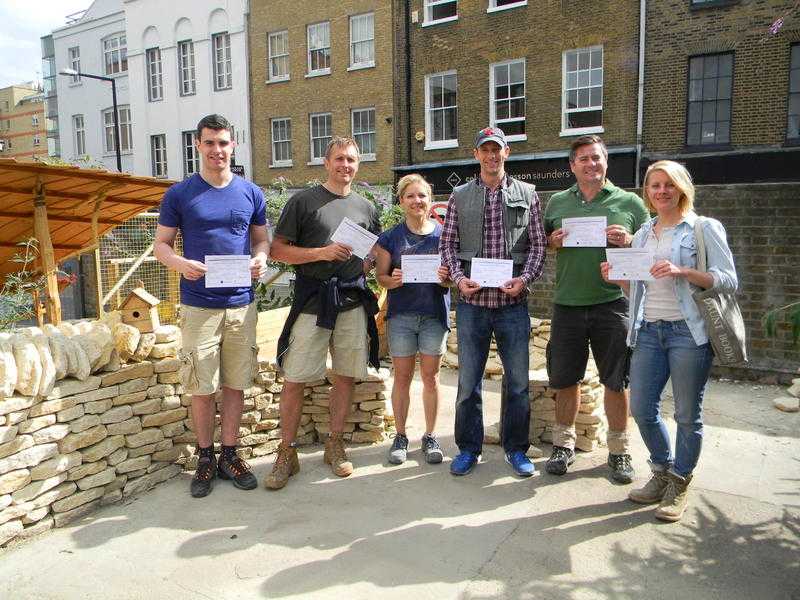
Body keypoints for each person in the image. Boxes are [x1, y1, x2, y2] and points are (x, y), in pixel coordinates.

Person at [601, 160, 737, 522]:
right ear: (646, 191)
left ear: (681, 188)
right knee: (642, 409)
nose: (661, 191)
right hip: (648, 330)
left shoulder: (703, 229)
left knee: (686, 414)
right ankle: (662, 471)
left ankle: (680, 481)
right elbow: (638, 289)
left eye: (668, 185)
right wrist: (618, 278)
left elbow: (728, 280)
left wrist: (684, 271)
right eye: (654, 185)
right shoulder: (644, 233)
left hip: (688, 333)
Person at [154, 114, 269, 498]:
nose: (217, 150)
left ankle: (230, 455)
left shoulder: (251, 193)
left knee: (236, 384)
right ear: (197, 146)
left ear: (232, 146)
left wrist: (261, 260)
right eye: (209, 143)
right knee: (202, 386)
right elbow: (161, 246)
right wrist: (181, 264)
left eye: (223, 143)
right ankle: (205, 457)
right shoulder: (180, 194)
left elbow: (261, 241)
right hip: (199, 305)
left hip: (240, 304)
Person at [265, 137, 381, 490]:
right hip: (313, 300)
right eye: (339, 159)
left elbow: (371, 253)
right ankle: (286, 452)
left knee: (346, 376)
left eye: (352, 160)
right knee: (295, 378)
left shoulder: (366, 206)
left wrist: (372, 263)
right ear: (326, 163)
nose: (345, 165)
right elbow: (278, 250)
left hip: (351, 301)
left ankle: (335, 443)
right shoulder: (303, 201)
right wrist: (322, 253)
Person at [439, 126, 547, 477]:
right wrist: (458, 278)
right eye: (485, 150)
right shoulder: (458, 195)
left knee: (516, 383)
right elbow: (448, 246)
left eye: (496, 150)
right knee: (468, 384)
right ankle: (469, 448)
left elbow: (537, 246)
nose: (491, 155)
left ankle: (516, 448)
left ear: (507, 152)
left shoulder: (528, 193)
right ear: (476, 155)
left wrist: (525, 279)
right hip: (472, 305)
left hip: (513, 306)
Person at [543, 135, 650, 483]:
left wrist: (631, 241)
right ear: (572, 166)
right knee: (565, 378)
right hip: (568, 304)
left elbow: (650, 253)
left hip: (613, 304)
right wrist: (552, 241)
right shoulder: (557, 203)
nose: (591, 164)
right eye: (583, 159)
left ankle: (619, 452)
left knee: (617, 381)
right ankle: (563, 446)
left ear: (606, 162)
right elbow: (546, 244)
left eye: (596, 158)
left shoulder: (630, 203)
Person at [374, 174, 450, 465]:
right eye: (411, 196)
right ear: (401, 200)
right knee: (402, 377)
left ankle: (430, 436)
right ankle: (401, 435)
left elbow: (453, 280)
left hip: (433, 315)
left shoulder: (444, 235)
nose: (417, 201)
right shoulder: (390, 238)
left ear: (430, 200)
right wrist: (392, 280)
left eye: (422, 196)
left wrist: (446, 280)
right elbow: (380, 277)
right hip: (401, 317)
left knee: (431, 378)